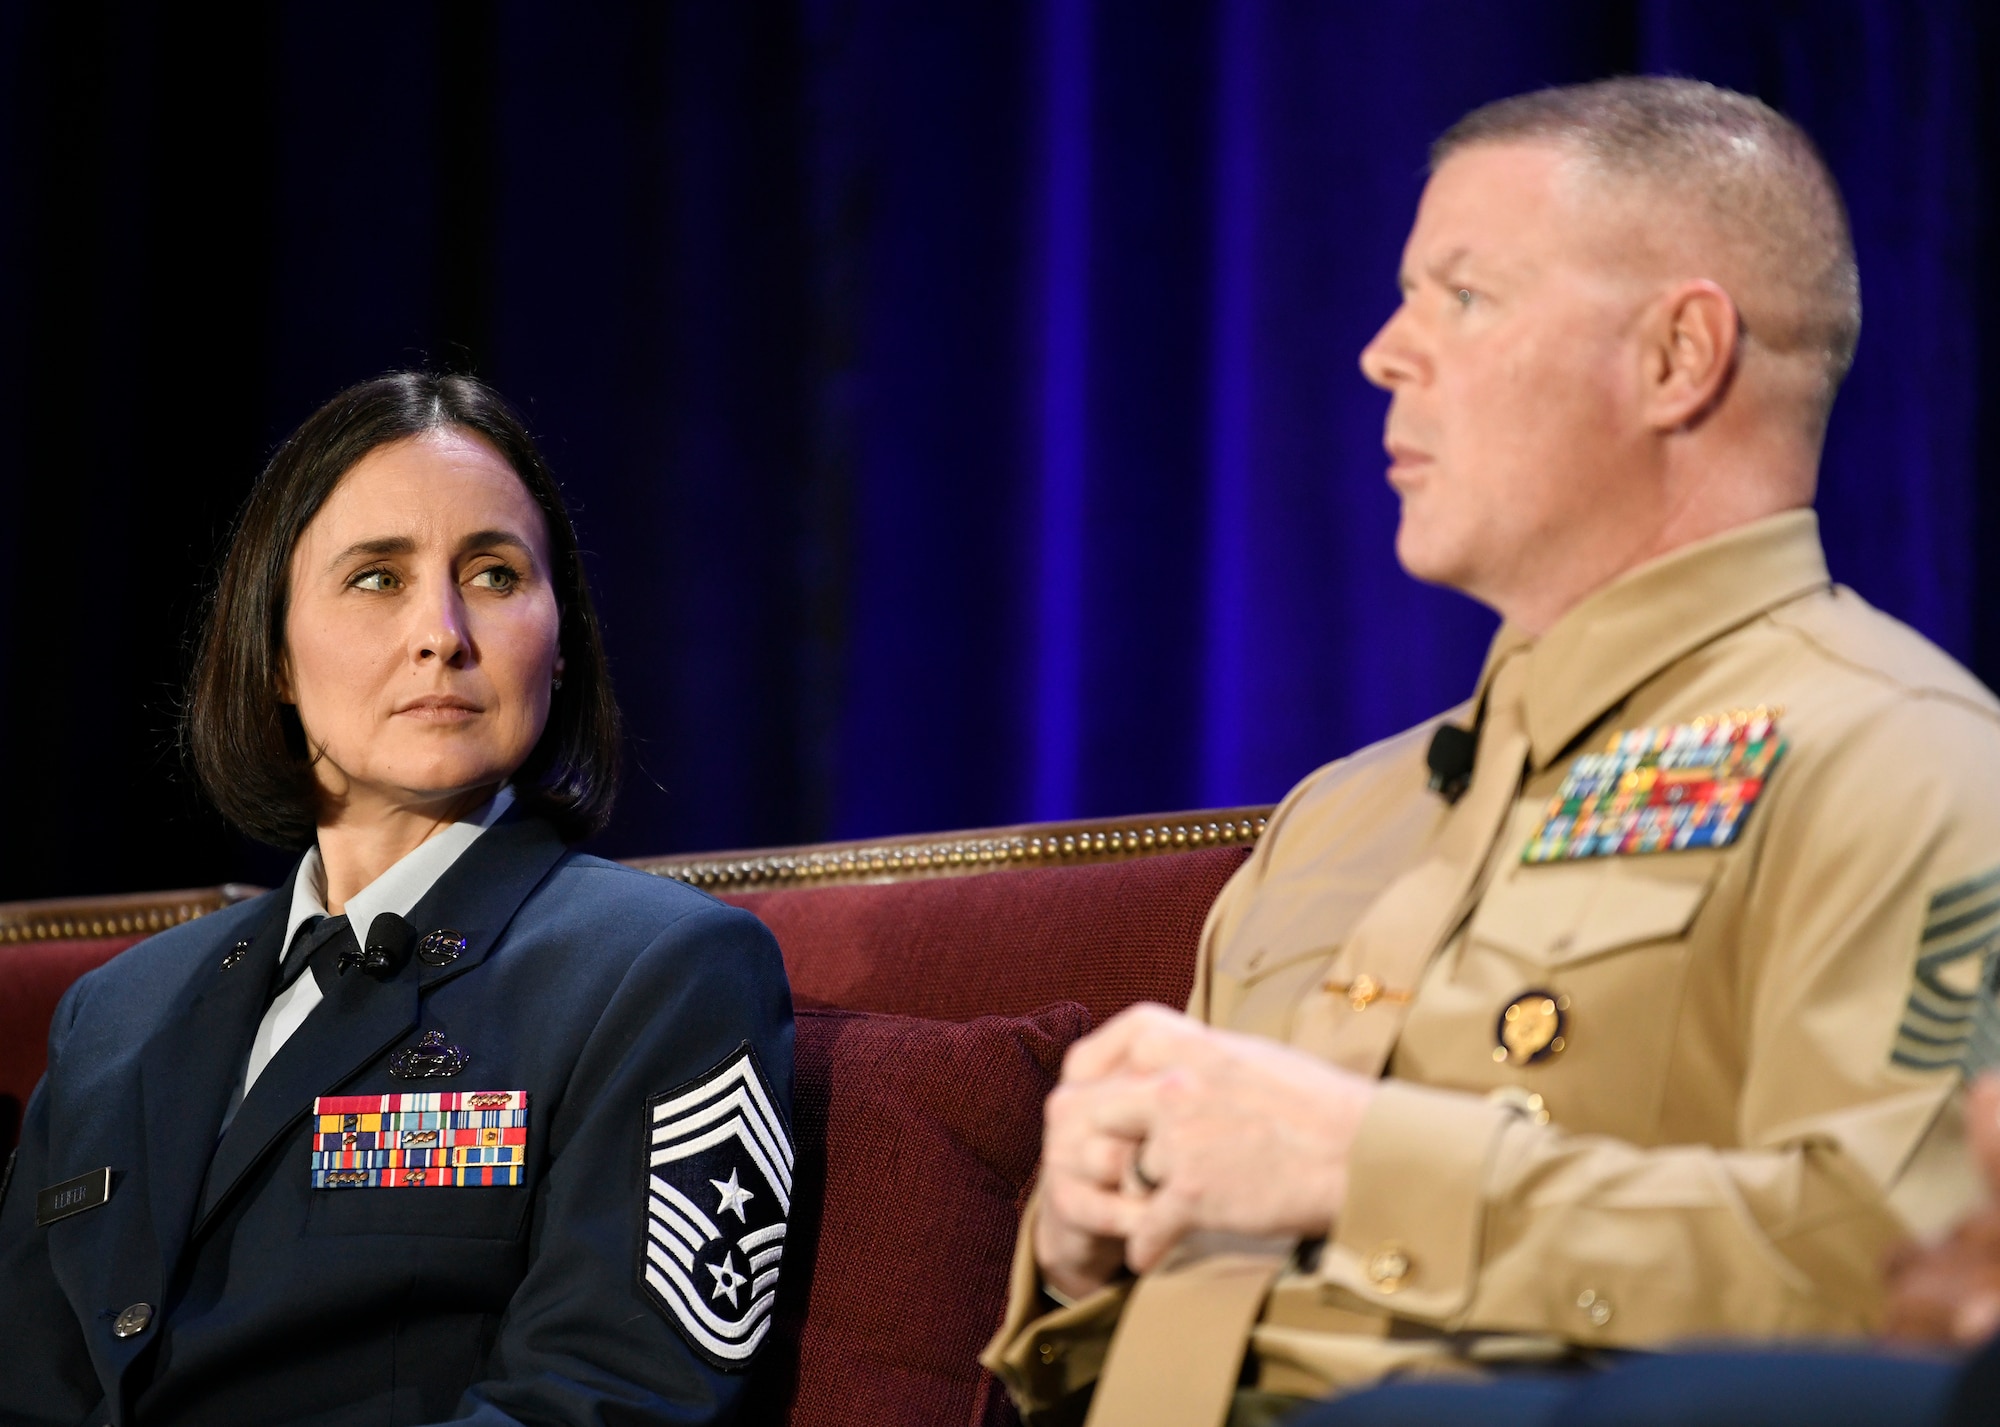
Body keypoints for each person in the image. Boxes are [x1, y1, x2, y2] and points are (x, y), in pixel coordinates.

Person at [981, 77, 2000, 1427]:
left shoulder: (1899, 756)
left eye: (1461, 295)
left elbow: (1911, 1277)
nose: (1384, 353)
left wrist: (1368, 1164)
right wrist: (1076, 1233)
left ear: (1677, 357)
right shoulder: (1339, 812)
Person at [0, 373, 795, 1426]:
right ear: (273, 652)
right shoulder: (115, 1012)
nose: (442, 631)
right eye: (377, 576)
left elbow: (607, 1399)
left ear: (559, 645)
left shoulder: (661, 972)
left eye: (495, 573)